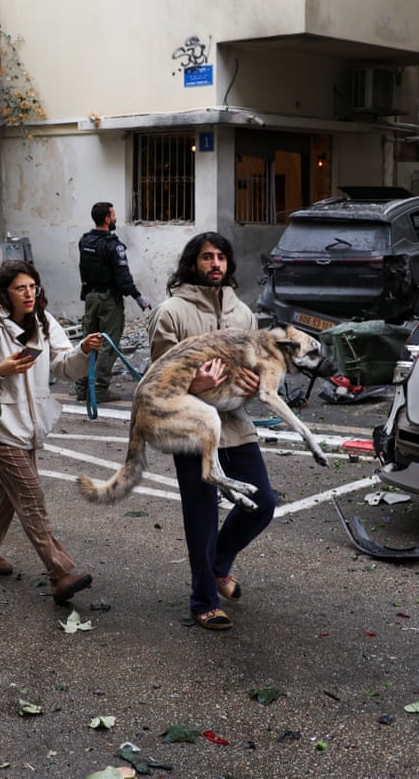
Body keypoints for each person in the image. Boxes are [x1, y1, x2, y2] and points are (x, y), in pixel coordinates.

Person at [147, 232, 276, 631]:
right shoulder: (171, 313)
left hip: (235, 425)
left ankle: (218, 564)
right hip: (191, 428)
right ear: (192, 264)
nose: (215, 263)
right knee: (201, 517)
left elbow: (257, 369)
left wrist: (255, 384)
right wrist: (193, 384)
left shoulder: (243, 314)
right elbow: (157, 381)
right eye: (206, 257)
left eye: (220, 257)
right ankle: (203, 600)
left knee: (264, 503)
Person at [0, 259, 102, 605]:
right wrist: (0, 369)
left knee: (10, 493)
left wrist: (82, 351)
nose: (28, 294)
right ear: (4, 293)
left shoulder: (44, 321)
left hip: (30, 425)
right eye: (19, 288)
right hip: (0, 426)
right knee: (31, 497)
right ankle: (60, 573)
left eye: (32, 286)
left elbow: (64, 367)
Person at [76, 201, 150, 403]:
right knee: (107, 344)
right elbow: (123, 277)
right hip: (109, 300)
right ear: (107, 219)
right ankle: (99, 391)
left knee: (88, 343)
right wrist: (138, 297)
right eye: (114, 215)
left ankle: (82, 388)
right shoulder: (113, 245)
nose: (116, 218)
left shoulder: (85, 241)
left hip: (90, 297)